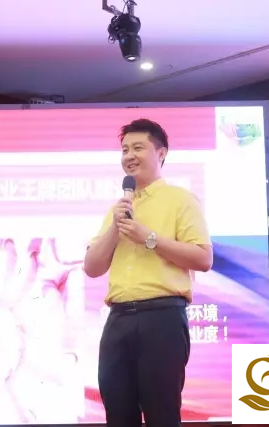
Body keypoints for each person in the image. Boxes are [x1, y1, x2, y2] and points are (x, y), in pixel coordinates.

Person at [84, 118, 213, 427]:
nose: (129, 155)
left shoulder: (181, 200)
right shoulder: (118, 209)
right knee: (118, 414)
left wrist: (149, 239)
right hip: (118, 320)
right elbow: (92, 267)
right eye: (125, 149)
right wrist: (115, 228)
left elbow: (203, 258)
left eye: (138, 148)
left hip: (162, 318)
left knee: (161, 414)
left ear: (161, 153)